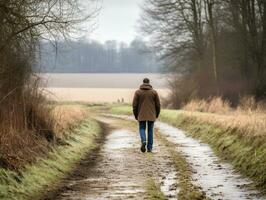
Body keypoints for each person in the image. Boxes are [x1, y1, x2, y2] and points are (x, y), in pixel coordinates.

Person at [132, 78, 161, 153]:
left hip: (141, 114)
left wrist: (136, 115)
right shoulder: (154, 92)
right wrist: (156, 114)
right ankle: (149, 148)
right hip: (151, 115)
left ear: (143, 82)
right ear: (149, 83)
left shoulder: (138, 92)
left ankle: (144, 140)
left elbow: (134, 105)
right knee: (150, 130)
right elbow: (158, 105)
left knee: (142, 128)